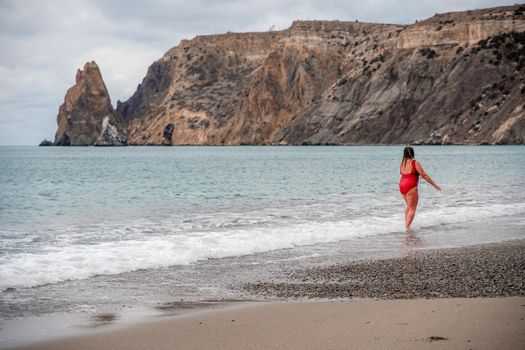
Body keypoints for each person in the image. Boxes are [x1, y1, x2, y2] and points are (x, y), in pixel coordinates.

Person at [399, 146, 441, 231]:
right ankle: (407, 228)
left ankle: (406, 225)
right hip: (410, 186)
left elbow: (404, 173)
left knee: (409, 207)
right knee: (412, 208)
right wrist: (435, 185)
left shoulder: (402, 163)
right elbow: (424, 175)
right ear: (412, 153)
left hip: (402, 185)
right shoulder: (415, 162)